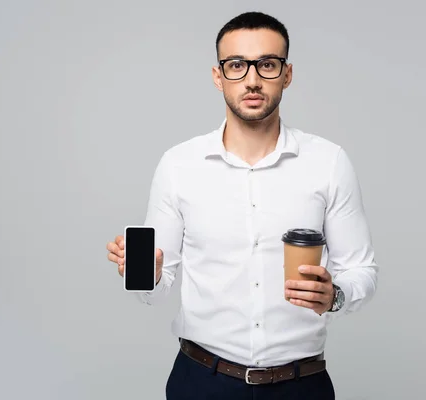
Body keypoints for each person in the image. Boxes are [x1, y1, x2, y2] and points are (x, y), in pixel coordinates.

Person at [106, 11, 378, 400]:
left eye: (267, 64)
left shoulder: (329, 163)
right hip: (201, 382)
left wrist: (334, 295)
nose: (252, 79)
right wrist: (149, 272)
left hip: (301, 386)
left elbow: (361, 270)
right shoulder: (179, 165)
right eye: (236, 65)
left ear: (287, 74)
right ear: (218, 77)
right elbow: (155, 290)